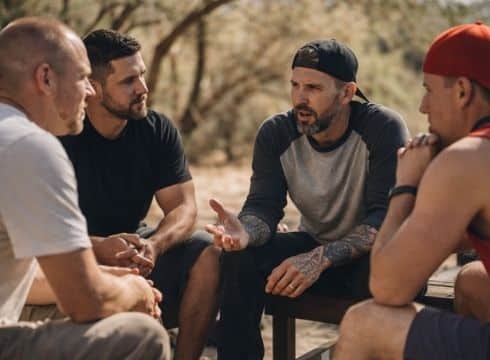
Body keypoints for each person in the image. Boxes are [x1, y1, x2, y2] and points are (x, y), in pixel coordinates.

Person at [205, 39, 409, 359]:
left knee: (384, 268)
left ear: (347, 93)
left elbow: (384, 218)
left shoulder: (383, 128)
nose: (301, 97)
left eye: (313, 87)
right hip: (313, 247)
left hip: (368, 261)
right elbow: (264, 206)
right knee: (239, 257)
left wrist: (322, 257)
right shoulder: (276, 132)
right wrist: (245, 232)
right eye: (295, 85)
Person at [0, 17, 169, 359]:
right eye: (82, 78)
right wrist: (133, 290)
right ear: (45, 78)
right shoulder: (29, 146)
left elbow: (19, 276)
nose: (91, 91)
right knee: (141, 336)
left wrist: (103, 275)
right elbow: (87, 302)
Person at [56, 29, 220, 360]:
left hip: (134, 246)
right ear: (95, 88)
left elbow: (184, 208)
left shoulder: (157, 131)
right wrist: (98, 246)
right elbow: (42, 232)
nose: (144, 88)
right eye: (129, 81)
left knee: (208, 254)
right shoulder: (60, 134)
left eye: (142, 75)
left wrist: (154, 246)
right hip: (74, 251)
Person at [335, 22, 490, 360]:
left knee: (365, 323)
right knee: (473, 281)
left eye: (429, 90)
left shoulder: (468, 158)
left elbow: (388, 287)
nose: (422, 106)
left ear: (462, 91)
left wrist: (405, 184)